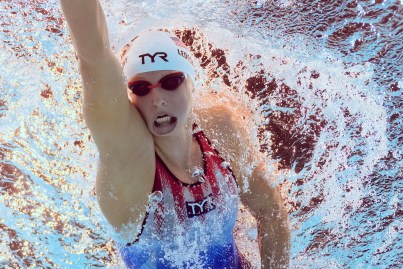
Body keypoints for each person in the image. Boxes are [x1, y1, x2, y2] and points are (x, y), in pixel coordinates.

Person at [60, 1, 290, 268]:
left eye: (170, 82)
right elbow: (94, 58)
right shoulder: (131, 166)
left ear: (192, 83)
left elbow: (271, 213)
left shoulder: (221, 128)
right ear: (129, 98)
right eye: (141, 88)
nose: (157, 99)